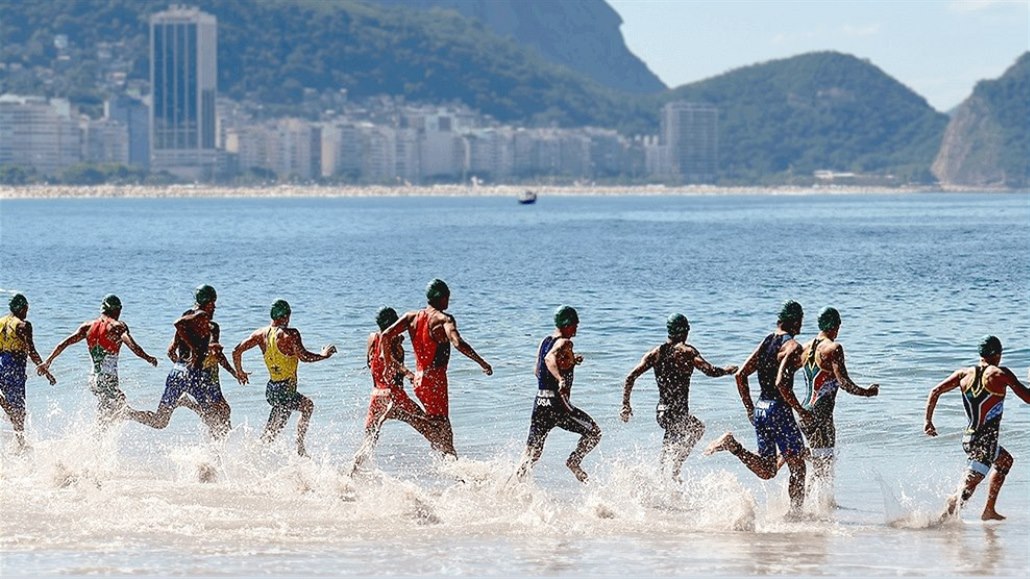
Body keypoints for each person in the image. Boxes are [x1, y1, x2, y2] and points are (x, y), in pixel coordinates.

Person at [705, 300, 812, 516]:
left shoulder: (767, 341)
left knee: (768, 470)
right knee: (798, 468)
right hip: (780, 410)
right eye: (801, 320)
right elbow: (781, 383)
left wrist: (750, 409)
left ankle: (733, 445)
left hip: (762, 409)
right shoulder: (792, 346)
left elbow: (740, 375)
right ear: (796, 321)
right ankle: (796, 516)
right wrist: (800, 410)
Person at [380, 279, 493, 457]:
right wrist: (482, 362)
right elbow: (458, 343)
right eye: (448, 297)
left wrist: (388, 365)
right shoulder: (443, 319)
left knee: (441, 428)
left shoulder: (411, 317)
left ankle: (451, 465)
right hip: (435, 380)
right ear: (441, 298)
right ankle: (402, 414)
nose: (449, 301)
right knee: (442, 427)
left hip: (419, 379)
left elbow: (385, 335)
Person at [621, 313, 738, 483]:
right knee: (697, 429)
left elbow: (630, 377)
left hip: (661, 413)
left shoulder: (656, 353)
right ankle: (675, 470)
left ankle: (658, 481)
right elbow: (709, 370)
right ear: (686, 331)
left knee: (668, 444)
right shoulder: (687, 352)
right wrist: (727, 371)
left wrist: (626, 405)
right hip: (677, 413)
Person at [924, 335, 1030, 521]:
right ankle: (939, 522)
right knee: (965, 489)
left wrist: (928, 421)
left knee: (1004, 461)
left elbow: (935, 391)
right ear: (998, 354)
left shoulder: (963, 374)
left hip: (970, 438)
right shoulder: (1000, 373)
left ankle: (988, 510)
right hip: (984, 442)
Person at [797, 307, 879, 508]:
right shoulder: (833, 348)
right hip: (821, 414)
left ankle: (820, 504)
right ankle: (815, 508)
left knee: (821, 462)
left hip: (804, 411)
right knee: (824, 465)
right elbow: (844, 383)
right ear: (836, 326)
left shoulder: (805, 348)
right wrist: (867, 392)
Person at [232, 299, 336, 457]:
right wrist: (323, 356)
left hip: (272, 390)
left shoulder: (260, 334)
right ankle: (299, 446)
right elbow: (305, 357)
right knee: (307, 407)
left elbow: (236, 351)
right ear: (286, 316)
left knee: (270, 434)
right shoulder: (291, 334)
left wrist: (240, 372)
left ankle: (251, 455)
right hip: (285, 390)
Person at [127, 285, 232, 438]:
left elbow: (170, 351)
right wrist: (196, 354)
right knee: (217, 416)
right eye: (212, 303)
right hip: (195, 375)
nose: (214, 306)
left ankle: (126, 413)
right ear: (207, 302)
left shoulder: (187, 318)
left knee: (160, 421)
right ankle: (214, 456)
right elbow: (211, 352)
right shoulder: (203, 321)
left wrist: (181, 365)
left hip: (177, 373)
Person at [38, 294, 159, 426]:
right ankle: (152, 421)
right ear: (117, 310)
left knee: (108, 410)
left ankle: (95, 441)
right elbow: (133, 346)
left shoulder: (87, 327)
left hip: (93, 380)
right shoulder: (117, 326)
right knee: (122, 409)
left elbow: (64, 344)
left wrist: (47, 362)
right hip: (107, 379)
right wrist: (148, 358)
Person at [515, 306, 601, 482]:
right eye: (575, 325)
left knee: (532, 453)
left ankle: (513, 485)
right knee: (594, 432)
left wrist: (570, 362)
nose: (576, 329)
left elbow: (537, 370)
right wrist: (560, 379)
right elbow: (549, 359)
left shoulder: (545, 341)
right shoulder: (565, 342)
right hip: (557, 404)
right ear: (567, 324)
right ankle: (574, 461)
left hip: (540, 402)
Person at [350, 307, 435, 473]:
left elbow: (371, 362)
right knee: (428, 427)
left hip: (376, 395)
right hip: (394, 395)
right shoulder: (389, 341)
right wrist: (409, 373)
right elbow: (384, 356)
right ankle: (453, 467)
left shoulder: (372, 337)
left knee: (368, 443)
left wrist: (396, 344)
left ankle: (349, 476)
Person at [0, 294, 56, 449]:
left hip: (1, 365)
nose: (27, 312)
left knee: (13, 408)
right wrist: (46, 371)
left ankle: (6, 408)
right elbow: (32, 351)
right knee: (19, 412)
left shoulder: (1, 322)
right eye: (26, 309)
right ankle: (20, 444)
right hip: (14, 370)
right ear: (22, 308)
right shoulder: (23, 325)